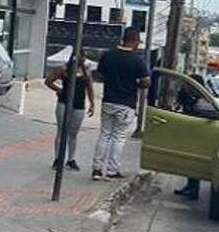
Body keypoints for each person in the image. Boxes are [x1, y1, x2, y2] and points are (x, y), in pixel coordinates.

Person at [92, 27, 150, 181]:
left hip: (108, 100)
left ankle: (97, 170)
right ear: (135, 42)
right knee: (118, 137)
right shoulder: (138, 60)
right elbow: (146, 82)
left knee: (104, 135)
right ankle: (112, 170)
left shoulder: (108, 55)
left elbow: (98, 75)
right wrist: (135, 84)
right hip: (126, 103)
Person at [45, 49, 95, 171]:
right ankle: (58, 158)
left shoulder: (86, 71)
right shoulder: (64, 69)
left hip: (79, 103)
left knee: (73, 133)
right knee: (61, 130)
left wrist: (92, 103)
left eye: (82, 57)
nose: (81, 60)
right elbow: (48, 81)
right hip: (64, 101)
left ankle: (71, 159)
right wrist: (58, 90)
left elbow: (90, 88)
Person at [174, 73, 208, 200]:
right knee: (188, 162)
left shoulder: (202, 98)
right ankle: (190, 186)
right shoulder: (188, 94)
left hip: (197, 131)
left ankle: (193, 189)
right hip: (189, 129)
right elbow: (180, 104)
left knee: (194, 162)